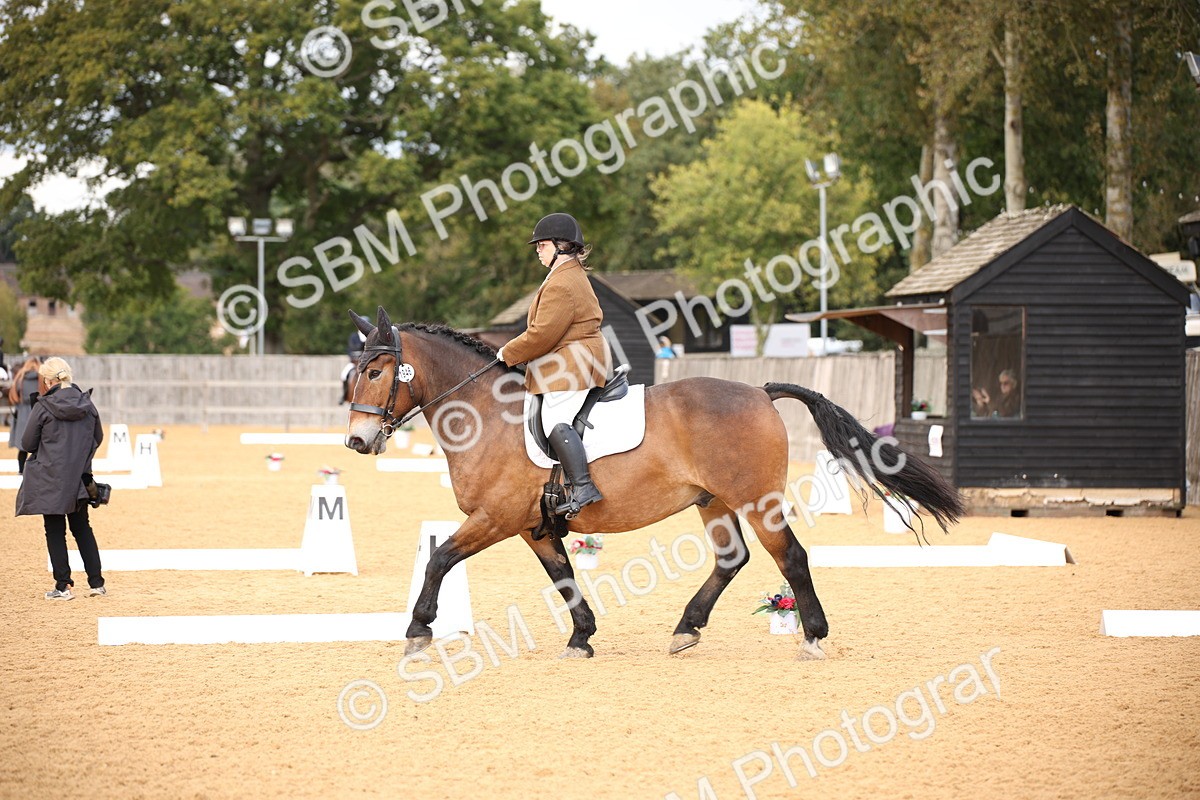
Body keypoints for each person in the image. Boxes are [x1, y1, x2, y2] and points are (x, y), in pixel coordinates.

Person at [496, 213, 611, 517]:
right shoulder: (564, 276)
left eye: (542, 245)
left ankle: (583, 486)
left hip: (574, 363)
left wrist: (507, 353)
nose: (537, 250)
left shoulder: (563, 282)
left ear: (562, 246)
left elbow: (542, 334)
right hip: (570, 358)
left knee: (554, 419)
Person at [15, 357, 106, 600]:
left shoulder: (43, 407)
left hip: (51, 477)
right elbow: (98, 437)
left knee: (54, 530)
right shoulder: (87, 404)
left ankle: (63, 586)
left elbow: (27, 443)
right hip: (79, 477)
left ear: (49, 380)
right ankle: (97, 583)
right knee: (82, 528)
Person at [7, 357, 44, 473]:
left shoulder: (20, 379)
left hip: (22, 413)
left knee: (22, 446)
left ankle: (21, 470)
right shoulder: (41, 378)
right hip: (38, 411)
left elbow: (14, 395)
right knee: (39, 445)